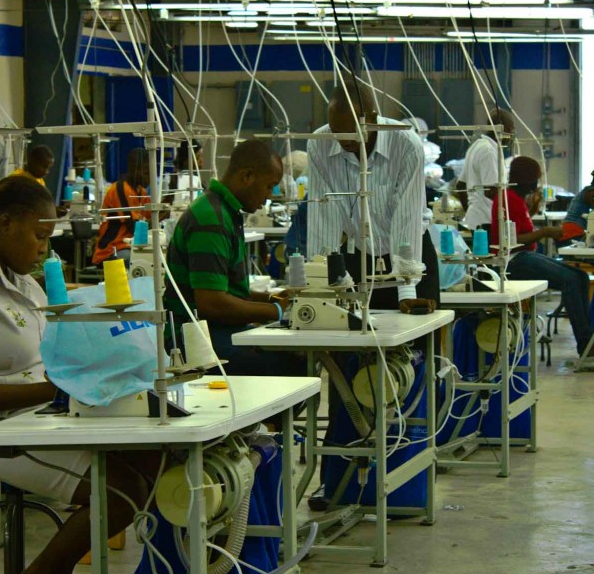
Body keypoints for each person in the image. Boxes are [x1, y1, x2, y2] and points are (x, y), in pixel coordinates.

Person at [0, 176, 159, 574]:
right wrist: (58, 393)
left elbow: (54, 355)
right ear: (6, 223)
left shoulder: (25, 285)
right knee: (119, 488)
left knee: (150, 457)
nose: (44, 249)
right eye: (39, 236)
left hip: (28, 416)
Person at [165, 140, 305, 376]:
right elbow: (212, 303)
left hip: (210, 331)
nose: (269, 196)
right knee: (294, 367)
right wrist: (277, 312)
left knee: (294, 357)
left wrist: (272, 298)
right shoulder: (212, 217)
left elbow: (228, 290)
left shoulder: (225, 212)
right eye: (269, 186)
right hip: (193, 340)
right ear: (248, 176)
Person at [306, 77, 439, 313]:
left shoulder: (405, 143)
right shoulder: (320, 143)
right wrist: (322, 282)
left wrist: (406, 287)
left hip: (412, 255)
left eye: (352, 132)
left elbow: (406, 217)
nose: (344, 139)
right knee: (357, 335)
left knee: (415, 338)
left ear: (373, 119)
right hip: (360, 253)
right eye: (337, 131)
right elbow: (323, 213)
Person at [490, 157, 594, 358]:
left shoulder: (515, 198)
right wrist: (546, 232)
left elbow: (521, 229)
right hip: (513, 261)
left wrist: (534, 212)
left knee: (581, 277)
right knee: (571, 280)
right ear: (525, 179)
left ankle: (590, 339)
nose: (537, 184)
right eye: (534, 179)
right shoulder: (507, 199)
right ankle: (585, 343)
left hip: (524, 255)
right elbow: (511, 240)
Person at [457, 109, 515, 230]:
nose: (511, 135)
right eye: (510, 130)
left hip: (476, 220)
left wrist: (471, 212)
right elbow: (492, 191)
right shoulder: (489, 152)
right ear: (504, 130)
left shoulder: (477, 146)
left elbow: (460, 185)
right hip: (487, 221)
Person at [93, 148, 150, 265]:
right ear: (134, 170)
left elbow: (151, 220)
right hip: (112, 250)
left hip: (130, 246)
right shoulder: (120, 190)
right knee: (140, 262)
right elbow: (134, 228)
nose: (150, 177)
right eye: (146, 172)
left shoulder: (141, 192)